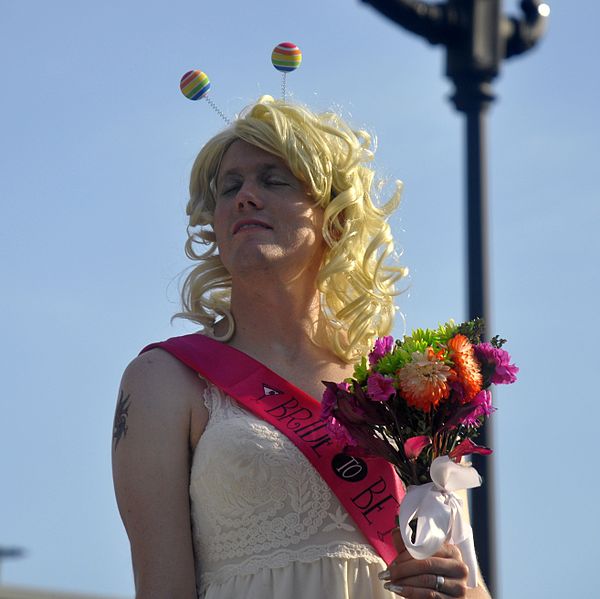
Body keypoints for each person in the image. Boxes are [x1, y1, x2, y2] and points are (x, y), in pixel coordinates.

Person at [112, 97, 492, 598]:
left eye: (274, 180)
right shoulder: (165, 379)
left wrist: (458, 591)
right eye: (231, 186)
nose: (246, 196)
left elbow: (473, 586)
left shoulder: (409, 389)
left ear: (333, 219)